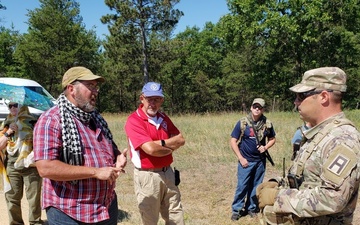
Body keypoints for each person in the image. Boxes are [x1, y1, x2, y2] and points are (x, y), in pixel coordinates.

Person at [256, 67, 360, 224]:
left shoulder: (342, 138)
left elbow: (333, 197)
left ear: (323, 97)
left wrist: (278, 197)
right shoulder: (319, 133)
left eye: (301, 96)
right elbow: (308, 180)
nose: (296, 101)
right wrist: (278, 183)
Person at [33, 66, 127, 225]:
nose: (95, 91)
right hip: (69, 213)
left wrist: (118, 156)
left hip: (105, 208)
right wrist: (95, 172)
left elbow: (109, 146)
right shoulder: (51, 120)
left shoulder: (95, 118)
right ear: (71, 89)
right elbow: (45, 167)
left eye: (96, 87)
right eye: (90, 86)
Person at [124, 81, 185, 225]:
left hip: (168, 173)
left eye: (156, 99)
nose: (153, 103)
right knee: (150, 219)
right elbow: (150, 150)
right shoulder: (134, 120)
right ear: (142, 99)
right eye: (149, 99)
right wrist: (168, 144)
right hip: (147, 176)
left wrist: (160, 144)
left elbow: (181, 139)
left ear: (161, 100)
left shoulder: (163, 118)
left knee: (175, 215)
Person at [230, 98, 276, 221]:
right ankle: (237, 210)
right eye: (255, 106)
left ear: (263, 109)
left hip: (260, 161)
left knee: (256, 187)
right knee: (242, 186)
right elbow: (233, 141)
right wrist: (241, 158)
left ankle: (251, 208)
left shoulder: (267, 124)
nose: (257, 109)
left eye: (259, 107)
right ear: (251, 108)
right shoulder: (243, 122)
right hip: (245, 161)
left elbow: (272, 139)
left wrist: (265, 147)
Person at [0, 102, 43, 225]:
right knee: (11, 197)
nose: (13, 108)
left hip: (30, 164)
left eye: (16, 105)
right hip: (12, 164)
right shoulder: (6, 123)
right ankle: (16, 223)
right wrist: (9, 132)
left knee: (33, 198)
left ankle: (35, 223)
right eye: (10, 106)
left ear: (22, 106)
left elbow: (41, 141)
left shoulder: (33, 122)